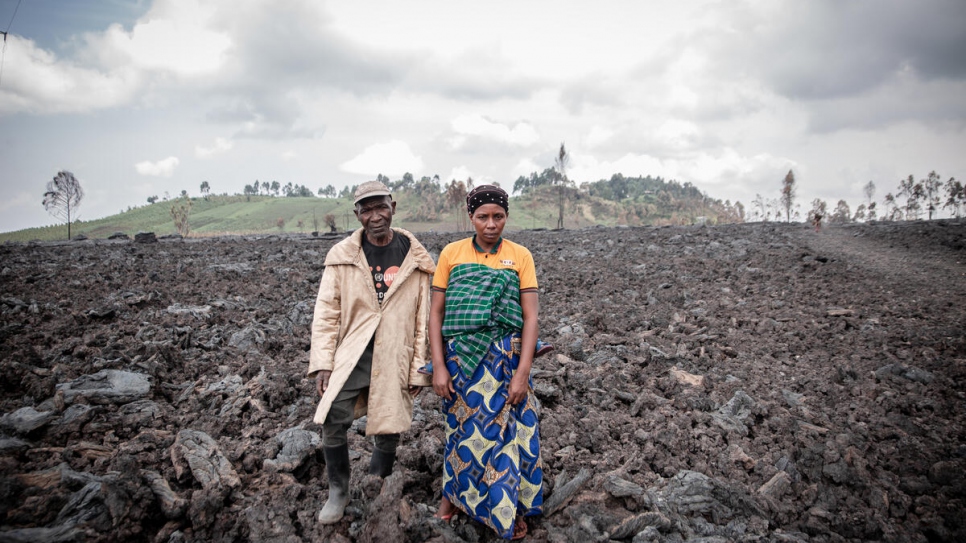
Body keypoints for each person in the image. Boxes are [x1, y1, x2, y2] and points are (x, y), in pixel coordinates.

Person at [307, 180, 436, 524]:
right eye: (367, 210)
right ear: (357, 214)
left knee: (389, 421)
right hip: (354, 352)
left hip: (396, 351)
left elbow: (424, 316)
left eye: (381, 207)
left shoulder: (416, 257)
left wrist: (419, 370)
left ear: (393, 206)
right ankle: (338, 490)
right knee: (333, 413)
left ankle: (378, 483)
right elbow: (326, 312)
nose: (375, 216)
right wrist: (322, 363)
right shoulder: (342, 257)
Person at [430, 184, 543, 540]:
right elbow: (436, 314)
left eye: (498, 216)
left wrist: (522, 374)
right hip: (462, 361)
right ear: (471, 217)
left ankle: (510, 508)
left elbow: (531, 318)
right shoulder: (451, 253)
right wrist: (439, 365)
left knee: (511, 434)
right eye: (483, 216)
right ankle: (451, 501)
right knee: (461, 433)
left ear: (506, 216)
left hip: (505, 362)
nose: (491, 224)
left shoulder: (520, 255)